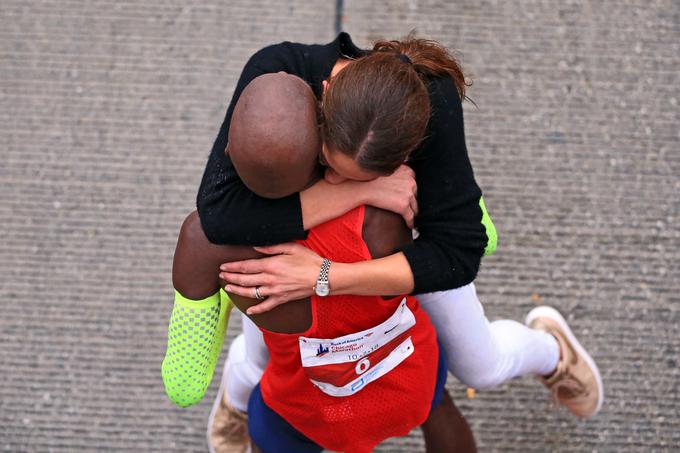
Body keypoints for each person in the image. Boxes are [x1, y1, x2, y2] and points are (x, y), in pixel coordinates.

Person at [199, 32, 603, 451]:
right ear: (325, 93)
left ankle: (553, 353)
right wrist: (357, 192)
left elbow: (456, 254)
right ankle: (239, 401)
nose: (333, 177)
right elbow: (217, 213)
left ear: (409, 153)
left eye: (357, 176)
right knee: (263, 358)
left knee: (482, 367)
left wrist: (324, 276)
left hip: (388, 249)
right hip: (283, 243)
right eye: (326, 161)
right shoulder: (279, 71)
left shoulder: (431, 105)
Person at [165, 73, 476, 452]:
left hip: (311, 409)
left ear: (226, 151)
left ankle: (235, 406)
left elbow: (185, 379)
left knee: (268, 425)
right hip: (408, 375)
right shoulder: (388, 198)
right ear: (324, 136)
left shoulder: (205, 241)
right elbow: (468, 229)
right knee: (437, 406)